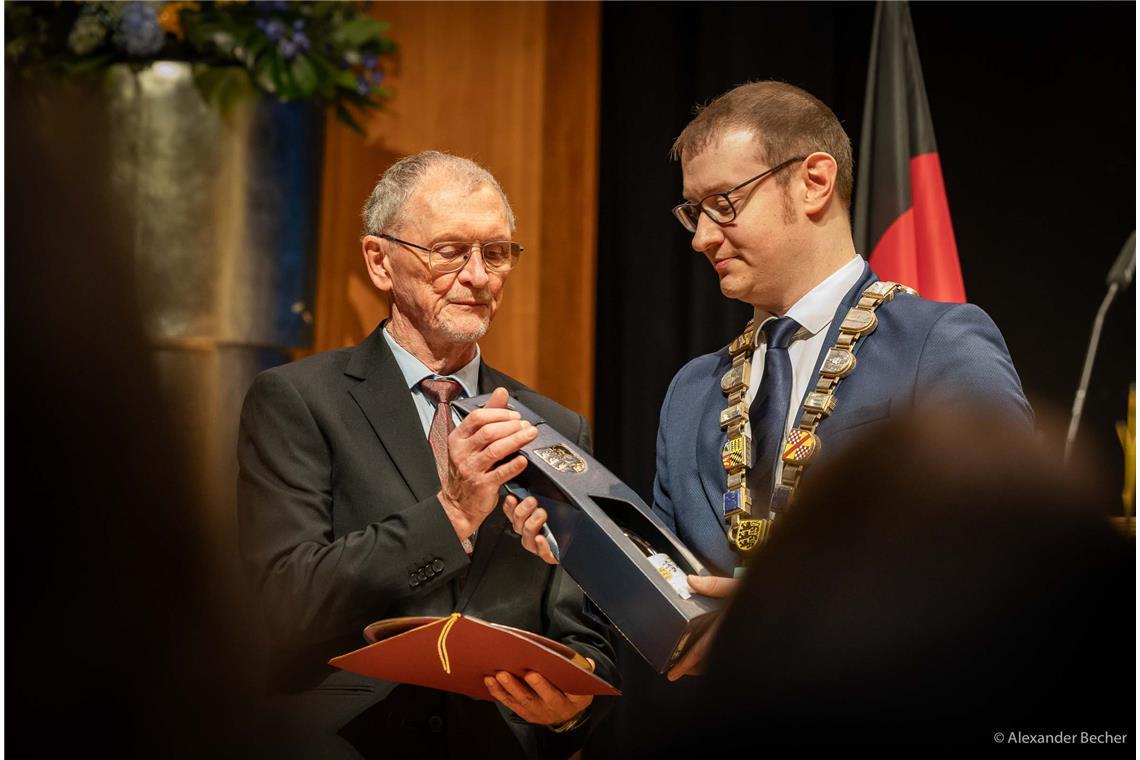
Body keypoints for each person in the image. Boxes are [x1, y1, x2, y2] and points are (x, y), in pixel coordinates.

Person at [507, 81, 1031, 680]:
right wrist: (577, 551)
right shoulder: (692, 393)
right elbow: (671, 593)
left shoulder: (937, 343)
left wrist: (793, 614)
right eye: (692, 213)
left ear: (814, 181)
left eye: (723, 203)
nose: (702, 237)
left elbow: (1010, 556)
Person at [237, 151, 615, 759]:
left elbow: (580, 627)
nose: (478, 276)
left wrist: (571, 707)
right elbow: (283, 601)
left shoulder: (552, 425)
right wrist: (452, 514)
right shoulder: (299, 401)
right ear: (379, 261)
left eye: (495, 253)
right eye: (449, 251)